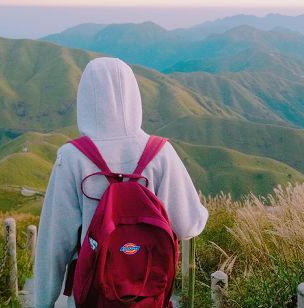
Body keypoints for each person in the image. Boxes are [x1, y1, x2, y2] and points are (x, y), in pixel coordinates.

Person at [34, 57, 209, 307]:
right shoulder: (160, 152)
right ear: (133, 96)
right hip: (148, 295)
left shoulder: (71, 157)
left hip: (92, 297)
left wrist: (44, 303)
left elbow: (53, 246)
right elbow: (188, 226)